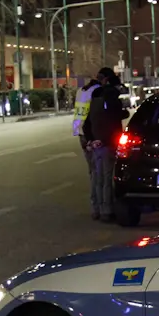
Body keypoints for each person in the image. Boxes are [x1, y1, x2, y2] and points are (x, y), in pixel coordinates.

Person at [84, 68, 128, 221]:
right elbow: (115, 119)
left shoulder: (92, 99)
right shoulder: (111, 101)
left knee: (97, 177)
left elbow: (86, 123)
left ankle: (96, 208)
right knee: (107, 178)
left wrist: (91, 140)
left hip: (95, 143)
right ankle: (107, 211)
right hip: (108, 143)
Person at [73, 74, 102, 214]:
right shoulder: (97, 91)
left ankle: (95, 207)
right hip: (91, 134)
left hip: (81, 133)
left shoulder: (81, 90)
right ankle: (99, 207)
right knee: (98, 172)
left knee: (92, 172)